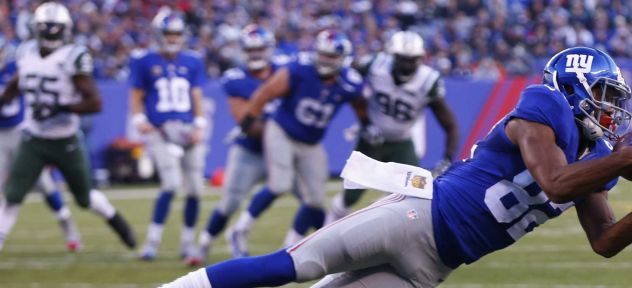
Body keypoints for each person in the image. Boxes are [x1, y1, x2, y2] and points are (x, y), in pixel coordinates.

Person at [94, 47, 632, 288]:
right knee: (287, 267)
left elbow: (606, 242)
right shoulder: (544, 106)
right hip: (416, 215)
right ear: (574, 85)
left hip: (429, 270)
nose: (612, 110)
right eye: (604, 94)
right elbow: (553, 182)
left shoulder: (593, 166)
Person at [0, 2, 135, 252]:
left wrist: (62, 108)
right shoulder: (26, 52)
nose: (51, 33)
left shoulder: (73, 56)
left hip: (65, 138)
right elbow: (19, 81)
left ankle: (117, 221)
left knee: (83, 198)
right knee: (14, 193)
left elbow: (95, 102)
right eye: (46, 28)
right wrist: (5, 97)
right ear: (37, 29)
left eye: (55, 28)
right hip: (34, 137)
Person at [224, 29, 367, 256]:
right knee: (279, 184)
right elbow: (265, 93)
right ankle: (240, 229)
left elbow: (362, 107)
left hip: (311, 142)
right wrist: (247, 122)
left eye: (331, 56)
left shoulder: (350, 83)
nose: (325, 60)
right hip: (281, 130)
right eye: (323, 54)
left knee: (316, 201)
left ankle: (290, 247)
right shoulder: (300, 69)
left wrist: (366, 126)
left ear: (342, 59)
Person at [324, 30, 459, 225]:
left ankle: (380, 220)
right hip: (372, 140)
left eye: (412, 59)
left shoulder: (428, 81)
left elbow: (450, 124)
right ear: (393, 56)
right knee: (351, 196)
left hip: (402, 143)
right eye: (403, 59)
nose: (408, 64)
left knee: (413, 194)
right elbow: (349, 79)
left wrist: (447, 157)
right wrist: (365, 121)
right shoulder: (376, 66)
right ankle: (325, 230)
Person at [184, 25, 281, 267]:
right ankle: (204, 243)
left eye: (260, 49)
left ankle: (311, 246)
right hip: (250, 149)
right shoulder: (236, 79)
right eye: (251, 49)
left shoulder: (285, 72)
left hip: (282, 148)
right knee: (230, 202)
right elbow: (246, 122)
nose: (256, 54)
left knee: (305, 195)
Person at [131, 9, 207, 260]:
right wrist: (140, 119)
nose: (173, 38)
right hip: (160, 129)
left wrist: (199, 123)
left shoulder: (193, 60)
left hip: (187, 130)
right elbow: (137, 94)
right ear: (158, 34)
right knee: (171, 185)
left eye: (176, 34)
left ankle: (188, 243)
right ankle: (152, 243)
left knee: (195, 189)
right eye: (168, 33)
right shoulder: (144, 60)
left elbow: (196, 94)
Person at [0, 37, 83, 252]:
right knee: (8, 192)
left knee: (44, 184)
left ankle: (67, 224)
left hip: (22, 134)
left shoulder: (17, 67)